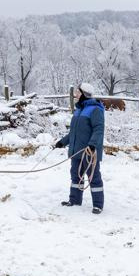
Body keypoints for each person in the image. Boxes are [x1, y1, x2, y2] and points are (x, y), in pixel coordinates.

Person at [54, 82, 106, 214]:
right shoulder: (78, 110)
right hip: (76, 150)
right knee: (75, 177)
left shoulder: (95, 109)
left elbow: (98, 129)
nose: (75, 94)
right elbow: (74, 132)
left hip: (89, 151)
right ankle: (75, 200)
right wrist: (63, 142)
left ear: (84, 93)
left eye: (78, 92)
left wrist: (93, 145)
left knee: (93, 177)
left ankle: (98, 205)